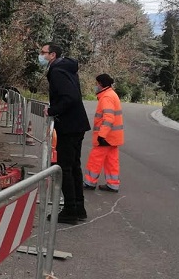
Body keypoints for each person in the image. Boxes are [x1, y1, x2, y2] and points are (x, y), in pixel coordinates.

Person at [40, 42, 90, 224]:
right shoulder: (67, 68)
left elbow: (70, 97)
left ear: (52, 55)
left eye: (43, 53)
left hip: (69, 126)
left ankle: (69, 210)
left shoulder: (57, 71)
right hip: (77, 124)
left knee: (65, 168)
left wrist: (53, 110)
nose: (41, 56)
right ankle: (78, 207)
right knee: (74, 166)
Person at [84, 73, 124, 192]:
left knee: (95, 159)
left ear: (101, 84)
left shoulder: (106, 97)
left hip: (106, 137)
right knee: (112, 161)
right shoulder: (112, 94)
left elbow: (109, 118)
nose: (96, 86)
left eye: (96, 83)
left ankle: (89, 183)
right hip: (113, 137)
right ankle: (113, 184)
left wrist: (101, 135)